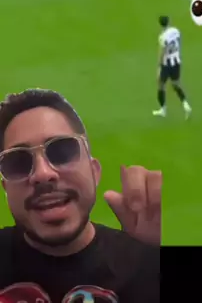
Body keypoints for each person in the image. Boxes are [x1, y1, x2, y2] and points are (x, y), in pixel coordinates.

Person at [0, 88, 160, 302]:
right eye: (18, 162)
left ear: (94, 172)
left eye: (62, 152)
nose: (43, 174)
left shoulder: (144, 267)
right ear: (6, 188)